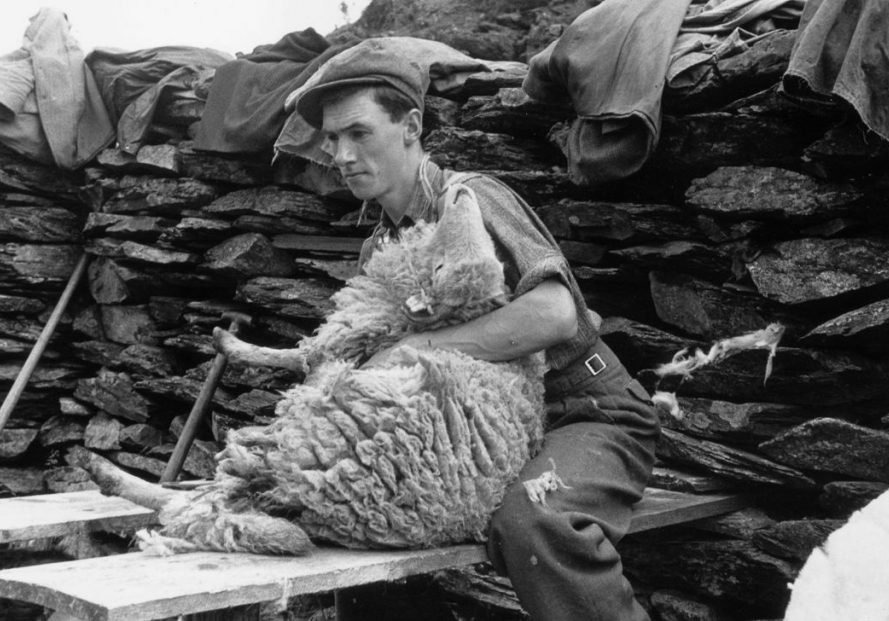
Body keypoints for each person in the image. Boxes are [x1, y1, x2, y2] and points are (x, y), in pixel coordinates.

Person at [216, 38, 661, 621]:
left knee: (535, 518)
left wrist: (416, 348)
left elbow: (555, 314)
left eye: (359, 132)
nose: (343, 154)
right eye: (332, 140)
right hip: (477, 435)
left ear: (412, 125)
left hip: (585, 414)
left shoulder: (473, 199)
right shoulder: (381, 245)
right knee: (362, 503)